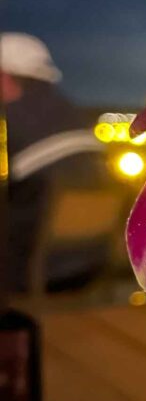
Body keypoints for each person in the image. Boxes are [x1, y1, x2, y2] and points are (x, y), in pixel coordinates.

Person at [1, 33, 108, 292]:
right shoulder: (74, 114)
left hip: (36, 270)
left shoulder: (9, 119)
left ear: (5, 79)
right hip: (90, 263)